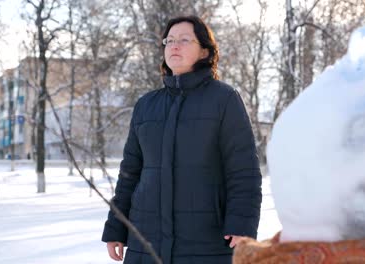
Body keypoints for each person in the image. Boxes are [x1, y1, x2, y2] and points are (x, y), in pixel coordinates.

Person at [101, 15, 262, 264]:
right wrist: (117, 228)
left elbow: (243, 170)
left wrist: (242, 224)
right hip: (145, 243)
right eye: (170, 40)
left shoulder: (224, 100)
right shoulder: (146, 105)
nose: (175, 45)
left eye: (185, 40)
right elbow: (130, 174)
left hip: (206, 244)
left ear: (204, 51)